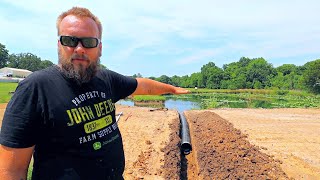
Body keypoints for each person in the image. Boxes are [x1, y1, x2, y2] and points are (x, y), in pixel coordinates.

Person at [0, 7, 189, 180]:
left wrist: (172, 89)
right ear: (59, 44)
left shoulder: (105, 79)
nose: (79, 49)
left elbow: (141, 86)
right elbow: (11, 170)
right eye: (70, 40)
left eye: (89, 42)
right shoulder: (36, 89)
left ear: (99, 48)